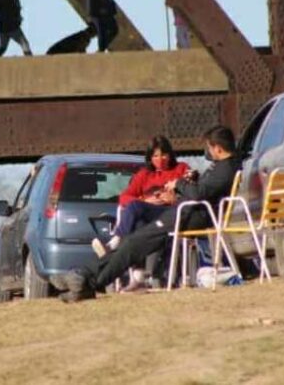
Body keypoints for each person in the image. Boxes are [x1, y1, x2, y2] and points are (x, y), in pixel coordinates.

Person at [51, 125, 240, 302]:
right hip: (185, 213)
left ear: (217, 148)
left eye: (209, 147)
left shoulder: (225, 169)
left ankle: (85, 279)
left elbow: (199, 194)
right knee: (132, 240)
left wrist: (178, 184)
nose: (208, 152)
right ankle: (84, 279)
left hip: (190, 216)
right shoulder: (224, 167)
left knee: (134, 242)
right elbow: (202, 190)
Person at [92, 136, 188, 257]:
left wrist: (175, 199)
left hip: (170, 212)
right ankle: (141, 270)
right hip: (149, 213)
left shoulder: (181, 168)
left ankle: (115, 243)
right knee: (138, 223)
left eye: (164, 155)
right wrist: (145, 200)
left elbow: (193, 192)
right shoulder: (144, 174)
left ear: (170, 155)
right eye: (155, 156)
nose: (160, 160)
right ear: (150, 158)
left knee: (136, 208)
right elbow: (124, 197)